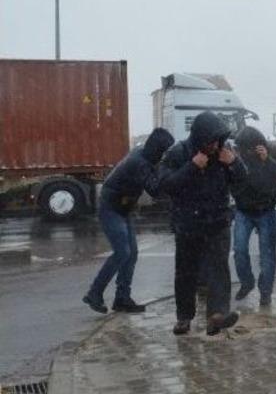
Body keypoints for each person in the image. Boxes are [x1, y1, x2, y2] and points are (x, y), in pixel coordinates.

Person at [158, 111, 247, 336]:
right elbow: (166, 184)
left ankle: (217, 316)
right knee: (186, 272)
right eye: (210, 141)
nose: (215, 146)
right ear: (199, 138)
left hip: (217, 221)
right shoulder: (178, 153)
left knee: (219, 270)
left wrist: (234, 163)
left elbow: (243, 179)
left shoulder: (224, 152)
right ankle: (184, 317)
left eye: (218, 140)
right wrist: (192, 166)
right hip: (188, 223)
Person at [83, 128, 175, 314]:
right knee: (122, 252)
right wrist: (173, 175)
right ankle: (94, 293)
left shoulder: (143, 155)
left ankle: (122, 299)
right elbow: (155, 190)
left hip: (123, 208)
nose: (164, 156)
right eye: (164, 151)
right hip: (111, 208)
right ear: (157, 149)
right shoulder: (139, 162)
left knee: (131, 253)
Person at [230, 126, 276, 307]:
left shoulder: (273, 151)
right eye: (243, 149)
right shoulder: (238, 153)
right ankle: (247, 282)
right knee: (239, 250)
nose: (246, 152)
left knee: (267, 255)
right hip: (243, 210)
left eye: (249, 149)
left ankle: (266, 292)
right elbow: (232, 177)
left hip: (266, 210)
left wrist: (267, 160)